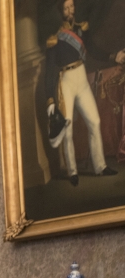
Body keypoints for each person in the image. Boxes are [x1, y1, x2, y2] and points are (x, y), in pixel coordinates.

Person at [45, 0, 123, 186]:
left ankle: (100, 166)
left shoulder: (82, 29)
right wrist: (50, 99)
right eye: (66, 8)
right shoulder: (54, 39)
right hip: (66, 81)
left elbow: (93, 50)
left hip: (82, 80)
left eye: (72, 6)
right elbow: (49, 71)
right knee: (68, 129)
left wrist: (113, 57)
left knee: (94, 122)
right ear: (61, 11)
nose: (70, 10)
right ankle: (72, 171)